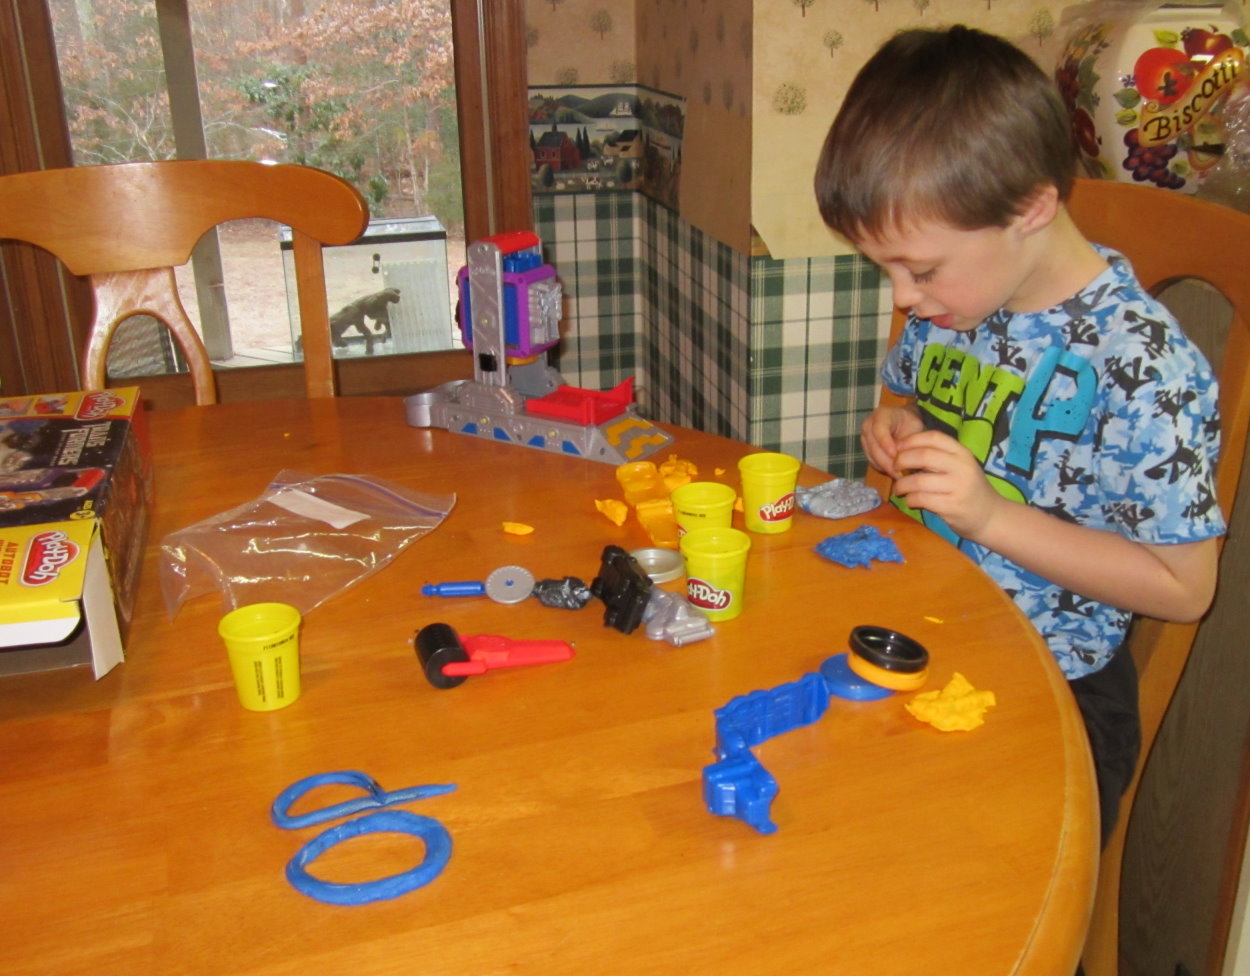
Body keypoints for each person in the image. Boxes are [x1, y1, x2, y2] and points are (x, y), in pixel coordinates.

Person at [813, 24, 1226, 849]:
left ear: (1031, 209)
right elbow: (920, 403)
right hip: (924, 628)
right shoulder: (959, 303)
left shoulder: (1143, 366)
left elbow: (1185, 590)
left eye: (920, 269)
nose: (903, 298)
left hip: (1056, 689)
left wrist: (991, 517)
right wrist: (900, 428)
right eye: (884, 269)